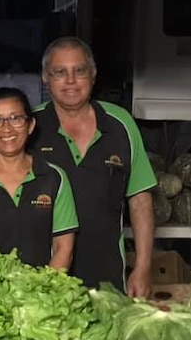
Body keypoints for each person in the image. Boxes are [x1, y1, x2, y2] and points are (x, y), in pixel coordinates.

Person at [31, 37, 157, 296]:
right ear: (45, 77)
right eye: (59, 72)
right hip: (45, 279)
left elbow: (140, 200)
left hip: (108, 276)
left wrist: (142, 267)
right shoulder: (30, 127)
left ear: (93, 74)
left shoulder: (121, 124)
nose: (70, 80)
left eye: (79, 71)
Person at [0, 87, 78, 269]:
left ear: (30, 125)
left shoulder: (53, 178)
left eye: (15, 118)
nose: (7, 128)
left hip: (41, 293)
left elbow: (63, 249)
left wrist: (44, 293)